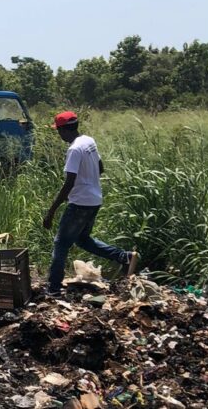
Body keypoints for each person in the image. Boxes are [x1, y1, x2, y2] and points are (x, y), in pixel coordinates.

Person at [42, 111, 139, 297]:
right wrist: (89, 182)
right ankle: (123, 257)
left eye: (58, 131)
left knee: (61, 244)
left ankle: (53, 288)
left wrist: (51, 212)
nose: (58, 134)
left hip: (80, 203)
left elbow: (69, 183)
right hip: (94, 200)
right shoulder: (88, 141)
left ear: (63, 130)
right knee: (82, 239)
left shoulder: (74, 150)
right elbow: (100, 168)